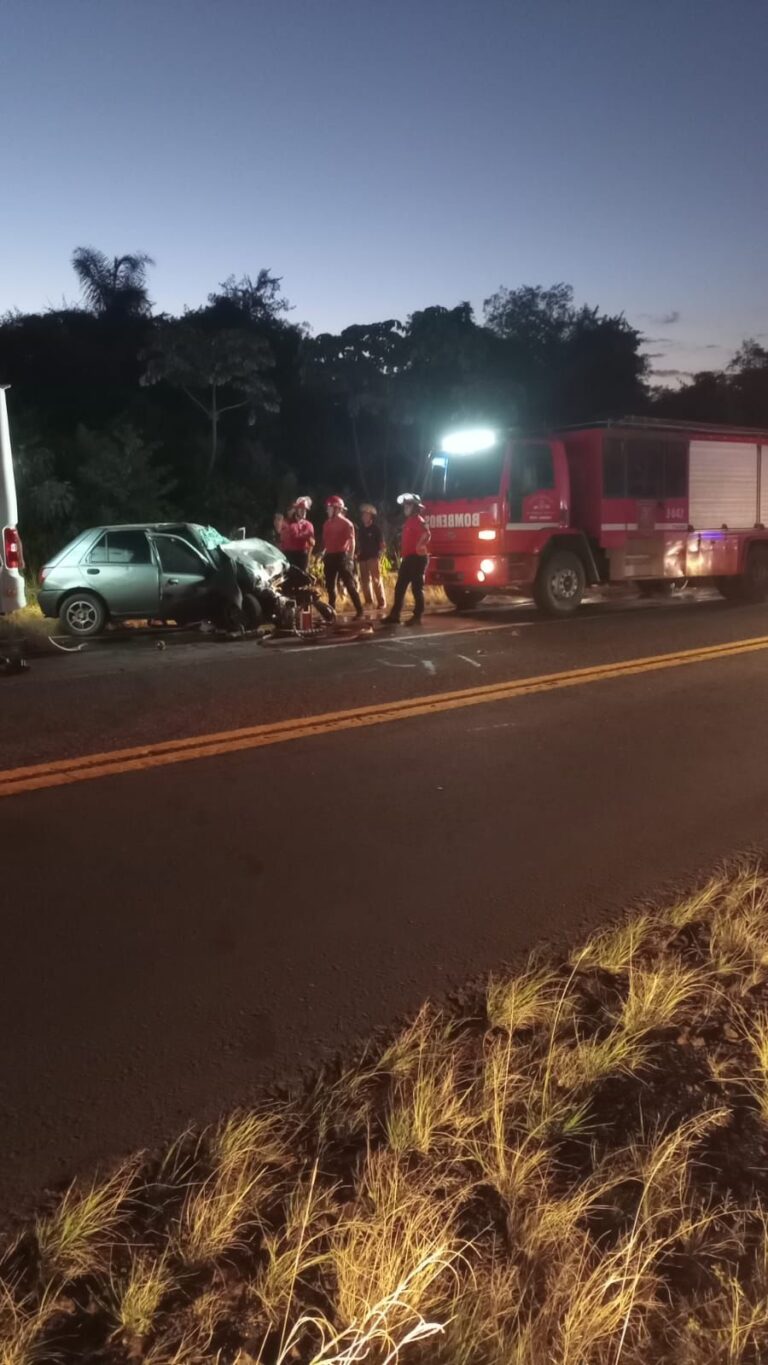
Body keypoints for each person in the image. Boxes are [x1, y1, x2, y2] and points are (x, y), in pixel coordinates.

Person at [382, 493, 431, 626]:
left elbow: (427, 534)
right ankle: (395, 615)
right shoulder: (409, 521)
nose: (405, 507)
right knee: (400, 587)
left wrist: (418, 546)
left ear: (415, 507)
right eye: (405, 505)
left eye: (408, 505)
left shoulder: (419, 520)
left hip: (417, 558)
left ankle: (417, 616)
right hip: (409, 558)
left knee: (416, 588)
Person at [321, 495, 364, 618]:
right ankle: (331, 611)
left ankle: (359, 610)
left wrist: (349, 559)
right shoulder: (326, 524)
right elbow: (327, 542)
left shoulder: (347, 524)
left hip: (342, 557)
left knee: (349, 584)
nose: (327, 510)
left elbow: (352, 542)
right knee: (330, 586)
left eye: (330, 508)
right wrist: (323, 553)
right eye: (328, 508)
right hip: (330, 557)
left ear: (337, 509)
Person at [356, 503, 386, 612]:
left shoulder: (376, 529)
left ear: (371, 516)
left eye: (367, 515)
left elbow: (382, 544)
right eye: (363, 515)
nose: (364, 517)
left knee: (376, 580)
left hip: (373, 557)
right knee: (364, 582)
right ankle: (368, 602)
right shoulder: (361, 530)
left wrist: (380, 556)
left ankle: (381, 602)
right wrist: (357, 553)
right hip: (362, 558)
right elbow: (359, 543)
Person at [278, 497, 315, 572]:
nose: (304, 512)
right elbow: (282, 541)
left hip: (301, 556)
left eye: (305, 510)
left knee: (300, 580)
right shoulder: (287, 523)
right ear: (296, 510)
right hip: (288, 555)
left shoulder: (308, 525)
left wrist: (308, 559)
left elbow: (312, 543)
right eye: (301, 509)